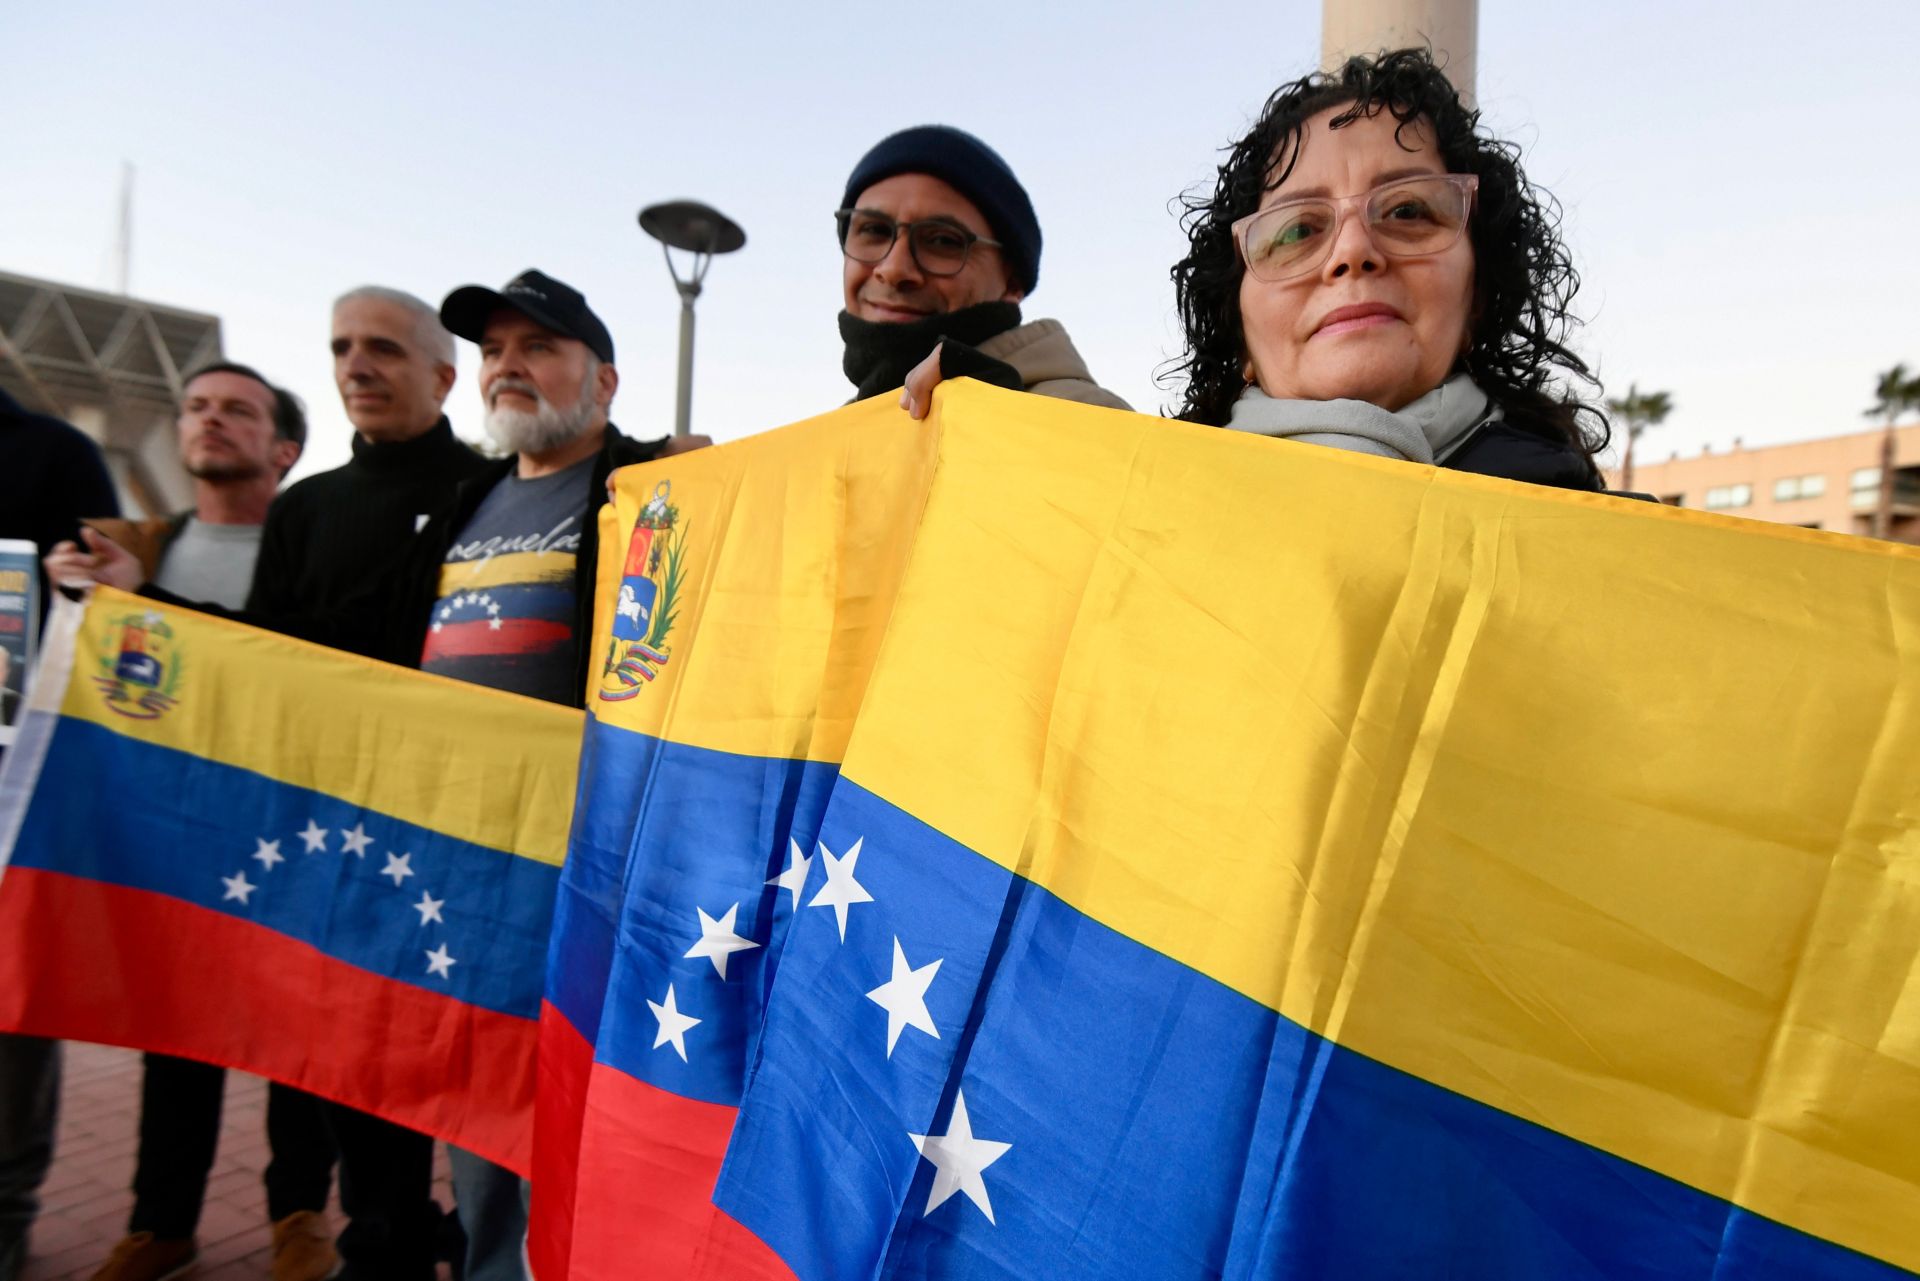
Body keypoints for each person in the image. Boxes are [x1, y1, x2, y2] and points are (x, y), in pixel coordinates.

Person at [51, 288, 487, 1279]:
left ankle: (465, 1238)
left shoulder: (495, 489)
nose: (357, 364)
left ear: (442, 376)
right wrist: (143, 601)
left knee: (463, 1068)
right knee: (351, 1059)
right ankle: (370, 1240)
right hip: (338, 834)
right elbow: (267, 659)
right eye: (342, 347)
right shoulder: (308, 509)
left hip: (466, 830)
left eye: (383, 348)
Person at [52, 364, 341, 1281]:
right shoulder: (125, 543)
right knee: (175, 1028)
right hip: (173, 821)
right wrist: (66, 596)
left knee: (300, 1029)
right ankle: (159, 1223)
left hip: (289, 814)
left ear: (284, 448)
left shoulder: (310, 546)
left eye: (239, 410)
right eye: (197, 407)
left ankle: (299, 1216)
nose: (211, 421)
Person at [416, 268, 672, 1277]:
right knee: (478, 1120)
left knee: (585, 1126)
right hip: (465, 863)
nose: (508, 365)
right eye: (493, 351)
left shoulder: (653, 489)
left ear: (602, 382)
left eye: (538, 347)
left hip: (591, 874)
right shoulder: (456, 509)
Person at [1162, 48, 1606, 487]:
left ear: (1477, 301)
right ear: (1242, 343)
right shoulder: (1134, 525)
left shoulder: (1612, 544)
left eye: (1407, 211)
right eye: (1296, 232)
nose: (1352, 251)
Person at [0, 386, 118, 1281]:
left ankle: (5, 1218)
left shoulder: (52, 455)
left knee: (8, 1016)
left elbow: (102, 618)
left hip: (11, 786)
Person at [837, 125, 1129, 411]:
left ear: (1012, 282)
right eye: (874, 230)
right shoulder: (830, 438)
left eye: (942, 240)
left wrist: (1014, 435)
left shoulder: (1088, 419)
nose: (894, 269)